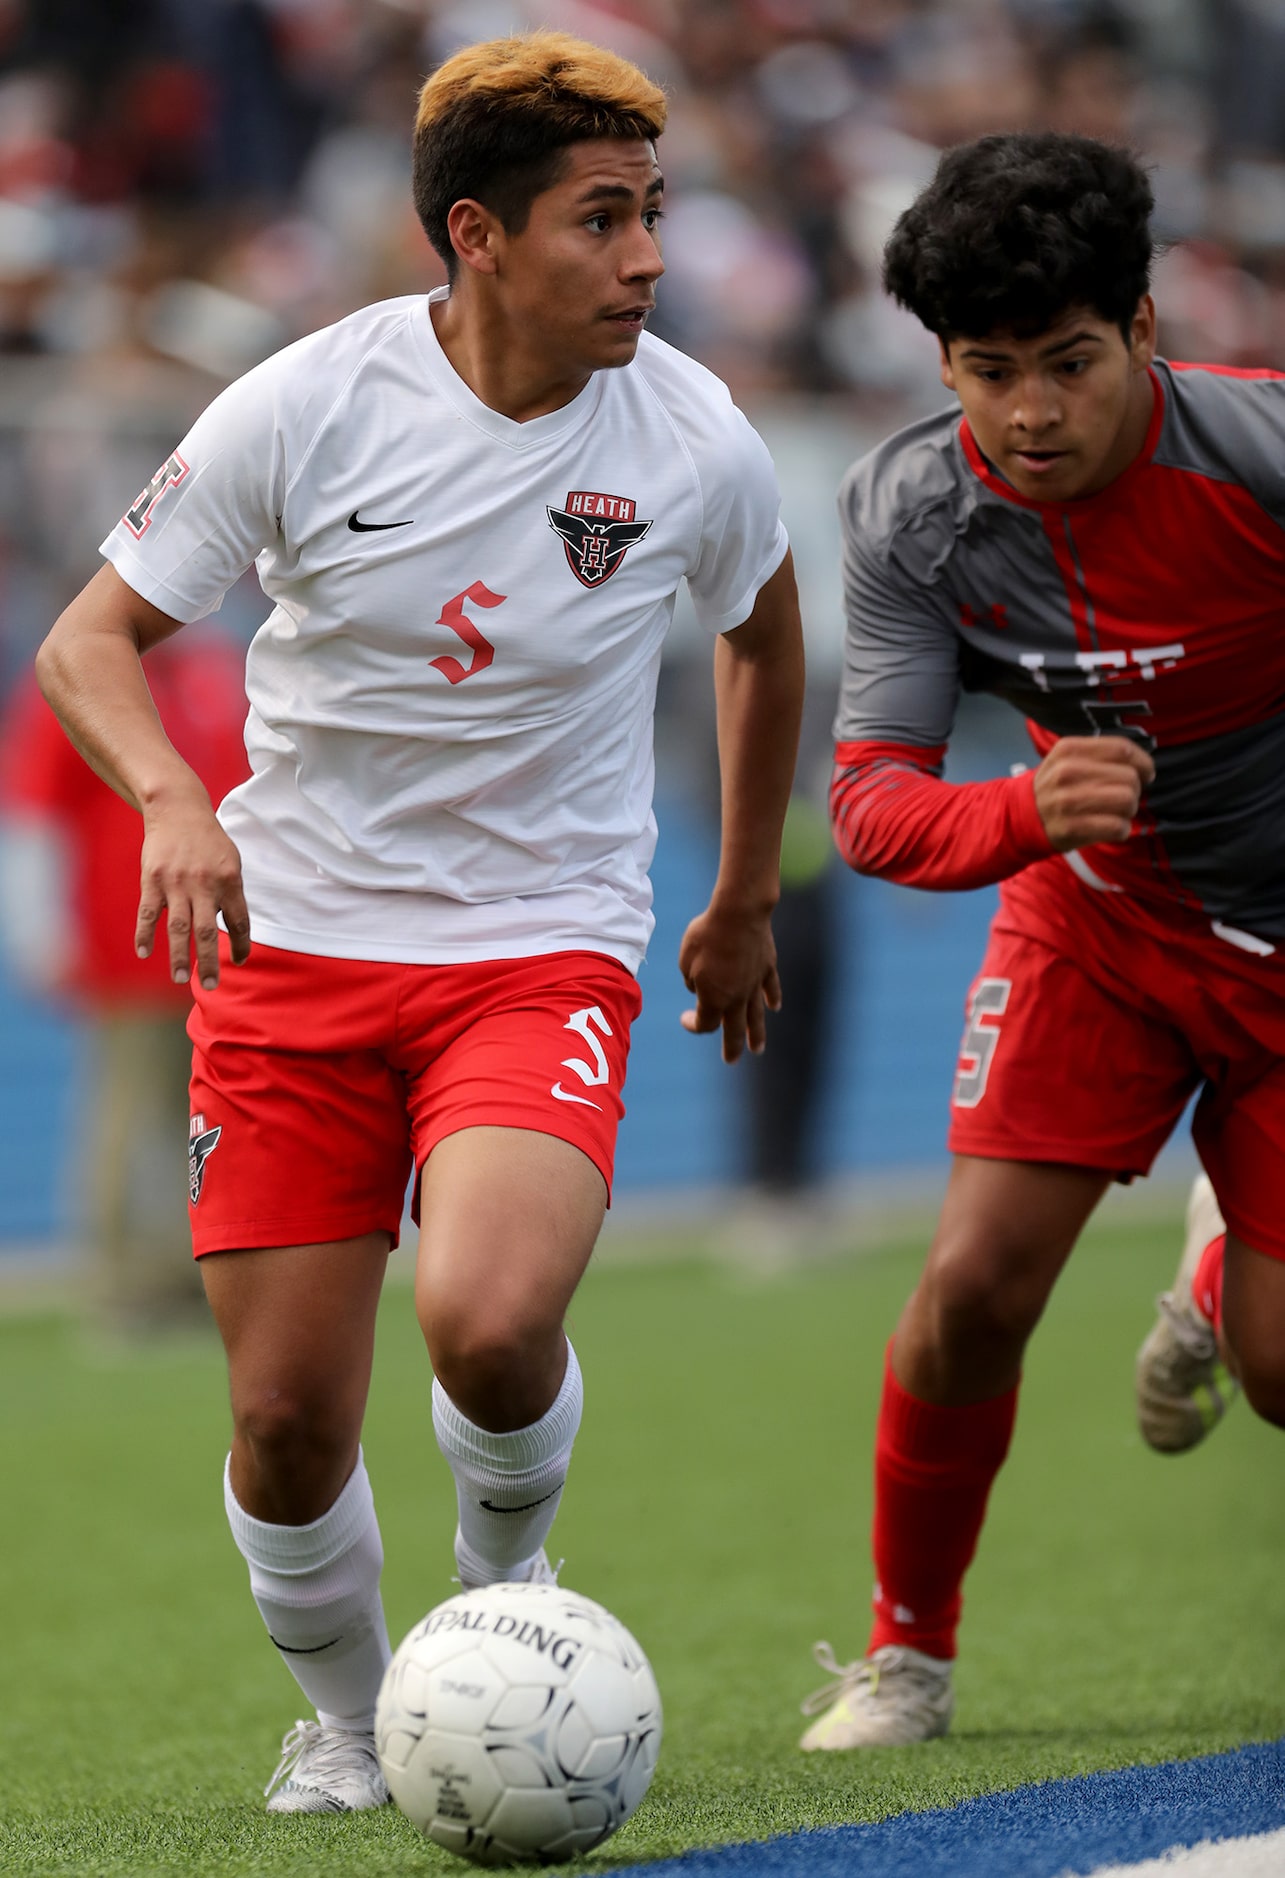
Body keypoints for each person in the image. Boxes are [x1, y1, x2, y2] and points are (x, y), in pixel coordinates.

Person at [36, 32, 804, 1812]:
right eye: (602, 221)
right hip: (297, 956)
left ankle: (505, 1594)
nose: (648, 259)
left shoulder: (692, 433)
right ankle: (361, 1715)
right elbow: (88, 640)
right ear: (476, 234)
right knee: (288, 1426)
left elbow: (761, 631)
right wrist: (173, 798)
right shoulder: (304, 405)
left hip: (538, 943)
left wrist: (744, 891)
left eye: (655, 214)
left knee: (486, 1312)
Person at [799, 130, 1285, 1752]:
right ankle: (905, 1655)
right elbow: (869, 801)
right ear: (941, 362)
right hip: (1100, 929)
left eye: (1069, 362)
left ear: (1147, 331)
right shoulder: (914, 512)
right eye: (988, 370)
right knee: (970, 1289)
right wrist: (1021, 813)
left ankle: (1220, 1269)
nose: (1031, 413)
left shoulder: (1261, 455)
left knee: (1279, 1373)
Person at [0, 634, 249, 1332]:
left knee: (198, 1120)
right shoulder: (83, 677)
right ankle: (119, 1283)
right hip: (126, 939)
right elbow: (35, 810)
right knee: (127, 1115)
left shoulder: (209, 672)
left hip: (209, 939)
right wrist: (41, 929)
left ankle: (187, 1273)